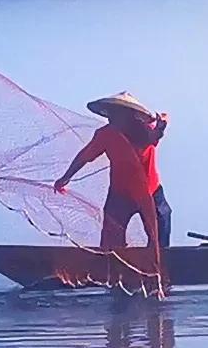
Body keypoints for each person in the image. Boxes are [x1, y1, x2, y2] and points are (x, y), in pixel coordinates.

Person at [63, 93, 172, 292]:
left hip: (151, 192)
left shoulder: (146, 131)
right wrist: (66, 177)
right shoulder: (106, 135)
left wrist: (162, 125)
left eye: (115, 113)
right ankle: (113, 271)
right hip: (120, 194)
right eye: (109, 113)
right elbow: (84, 156)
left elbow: (157, 133)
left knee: (161, 224)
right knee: (112, 236)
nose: (110, 117)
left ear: (129, 115)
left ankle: (161, 264)